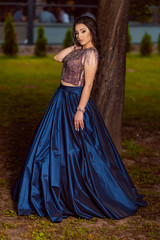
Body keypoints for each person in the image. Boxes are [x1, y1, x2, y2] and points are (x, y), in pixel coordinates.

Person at [12, 16, 147, 223]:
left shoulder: (91, 54)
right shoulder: (78, 49)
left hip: (75, 102)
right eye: (77, 32)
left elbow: (88, 85)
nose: (80, 35)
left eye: (83, 31)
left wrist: (80, 110)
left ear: (91, 31)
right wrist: (75, 45)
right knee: (49, 145)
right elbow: (57, 58)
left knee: (78, 148)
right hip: (60, 99)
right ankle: (49, 188)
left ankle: (81, 191)